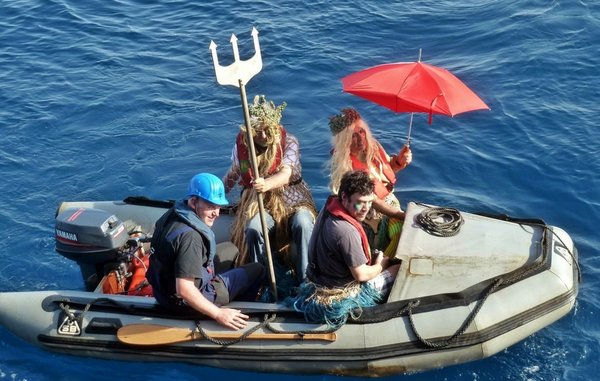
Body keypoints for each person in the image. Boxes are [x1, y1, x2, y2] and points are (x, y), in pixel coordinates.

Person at [146, 173, 265, 330]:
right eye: (210, 206)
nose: (216, 213)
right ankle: (241, 313)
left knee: (231, 249)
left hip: (163, 290)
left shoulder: (173, 213)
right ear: (194, 201)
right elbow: (184, 290)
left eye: (218, 206)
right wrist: (218, 314)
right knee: (258, 270)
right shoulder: (190, 238)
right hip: (185, 302)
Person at [223, 95, 316, 284]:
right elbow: (233, 173)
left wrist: (267, 184)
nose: (264, 137)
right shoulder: (242, 144)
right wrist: (216, 196)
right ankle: (260, 280)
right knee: (253, 229)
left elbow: (286, 174)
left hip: (292, 199)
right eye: (258, 132)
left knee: (303, 223)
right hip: (259, 204)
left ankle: (305, 280)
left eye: (268, 131)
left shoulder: (289, 142)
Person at [328, 107, 412, 256]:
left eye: (361, 131)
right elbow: (372, 200)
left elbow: (387, 169)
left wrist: (400, 161)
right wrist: (403, 215)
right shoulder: (346, 167)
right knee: (396, 237)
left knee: (400, 237)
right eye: (353, 136)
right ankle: (385, 267)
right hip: (369, 215)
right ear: (344, 140)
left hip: (390, 206)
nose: (360, 138)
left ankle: (387, 263)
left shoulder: (373, 147)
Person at [306, 170, 400, 299]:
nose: (366, 208)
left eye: (369, 202)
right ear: (344, 197)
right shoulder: (346, 231)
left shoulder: (328, 209)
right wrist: (380, 265)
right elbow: (361, 275)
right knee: (397, 270)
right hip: (338, 294)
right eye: (360, 202)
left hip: (316, 280)